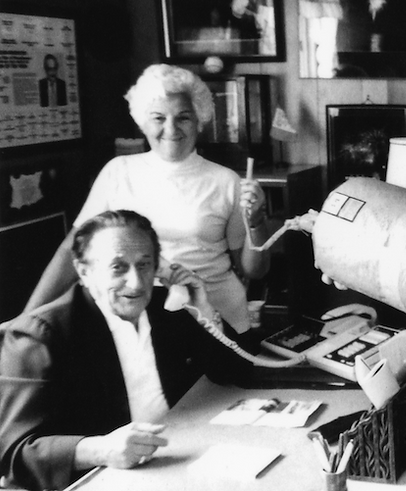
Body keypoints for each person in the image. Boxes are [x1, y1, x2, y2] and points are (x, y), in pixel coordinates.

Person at [0, 210, 249, 491]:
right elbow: (13, 453)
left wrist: (203, 308)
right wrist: (100, 449)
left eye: (144, 265)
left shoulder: (168, 309)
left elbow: (237, 371)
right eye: (118, 267)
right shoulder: (39, 336)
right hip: (101, 476)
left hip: (180, 453)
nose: (136, 283)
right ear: (84, 271)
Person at [25, 64, 270, 338]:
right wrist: (26, 318)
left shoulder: (226, 180)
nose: (171, 128)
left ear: (199, 120)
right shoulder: (118, 172)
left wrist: (256, 220)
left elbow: (254, 270)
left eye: (183, 117)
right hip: (137, 318)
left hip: (216, 318)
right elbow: (71, 251)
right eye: (158, 118)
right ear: (143, 121)